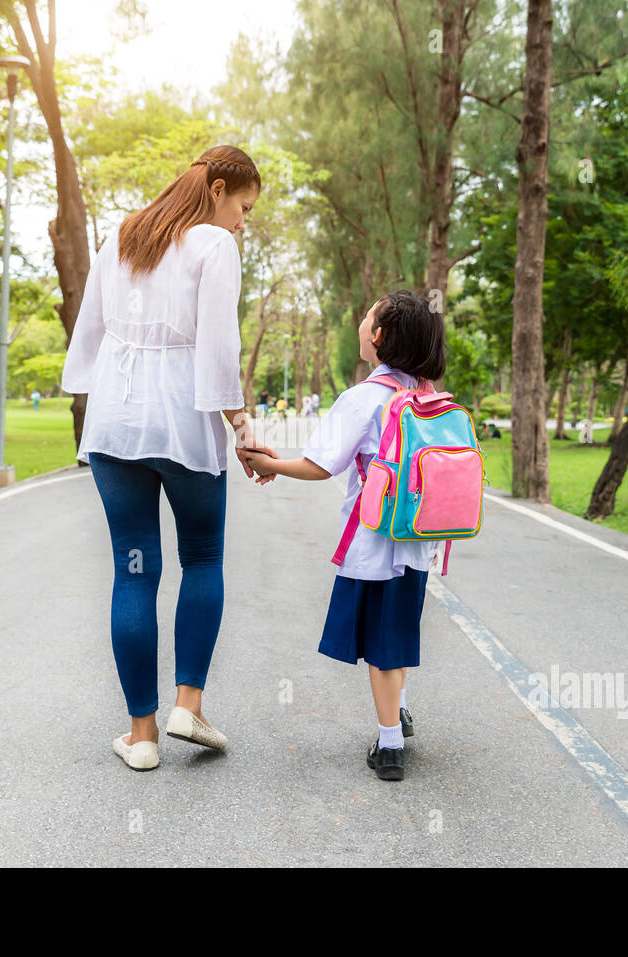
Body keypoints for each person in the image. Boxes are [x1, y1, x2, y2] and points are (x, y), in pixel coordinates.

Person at [60, 145, 276, 772]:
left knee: (134, 571)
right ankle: (189, 704)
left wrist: (88, 389)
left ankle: (143, 735)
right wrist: (238, 421)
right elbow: (216, 344)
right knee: (202, 556)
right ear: (215, 188)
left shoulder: (124, 233)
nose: (243, 221)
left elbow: (91, 329)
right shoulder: (214, 247)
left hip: (116, 422)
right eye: (243, 206)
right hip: (182, 419)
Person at [242, 290, 445, 781]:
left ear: (377, 336)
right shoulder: (427, 397)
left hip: (374, 543)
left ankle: (390, 744)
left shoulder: (364, 399)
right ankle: (399, 711)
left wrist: (269, 465)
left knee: (380, 645)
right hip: (418, 542)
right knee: (396, 632)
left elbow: (320, 465)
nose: (361, 321)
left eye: (366, 315)